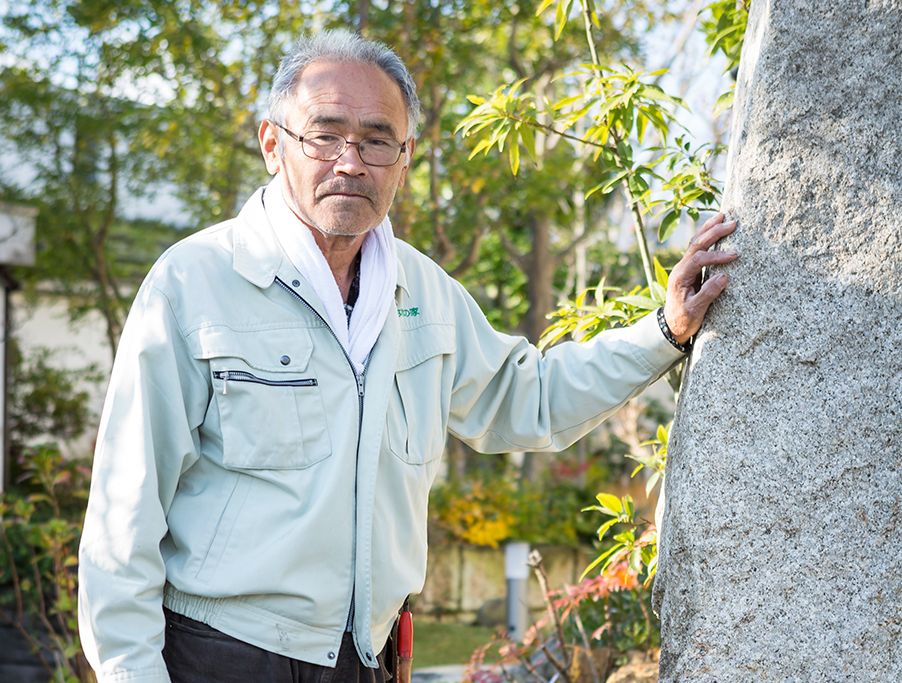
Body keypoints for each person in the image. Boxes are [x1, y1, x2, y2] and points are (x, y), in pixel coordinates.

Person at [77, 30, 737, 683]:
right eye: (325, 135)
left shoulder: (422, 291)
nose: (350, 162)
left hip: (367, 659)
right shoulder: (194, 283)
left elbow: (528, 400)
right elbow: (122, 518)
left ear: (405, 155)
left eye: (376, 140)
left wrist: (666, 328)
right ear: (273, 145)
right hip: (219, 656)